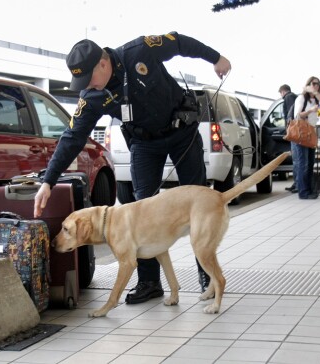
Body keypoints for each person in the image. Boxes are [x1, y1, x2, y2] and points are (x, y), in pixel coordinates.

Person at [33, 33, 231, 302]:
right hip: (144, 144)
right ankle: (149, 282)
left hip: (181, 131)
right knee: (141, 208)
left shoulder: (140, 51)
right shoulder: (91, 96)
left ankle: (207, 276)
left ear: (103, 64)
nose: (87, 86)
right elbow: (72, 137)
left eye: (88, 78)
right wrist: (48, 181)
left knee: (197, 200)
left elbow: (180, 42)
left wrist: (216, 58)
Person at [292, 76, 320, 200]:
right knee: (303, 163)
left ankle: (309, 190)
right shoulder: (301, 98)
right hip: (302, 132)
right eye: (313, 83)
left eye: (318, 84)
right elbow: (298, 115)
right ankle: (303, 192)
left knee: (310, 163)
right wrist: (310, 110)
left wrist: (315, 93)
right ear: (308, 84)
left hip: (311, 132)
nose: (316, 86)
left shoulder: (315, 100)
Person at [278, 84, 298, 193]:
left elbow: (291, 115)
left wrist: (289, 129)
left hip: (294, 132)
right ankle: (297, 183)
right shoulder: (294, 97)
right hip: (296, 132)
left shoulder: (288, 97)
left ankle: (297, 184)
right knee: (297, 160)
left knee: (296, 160)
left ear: (282, 91)